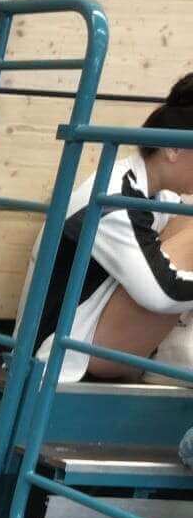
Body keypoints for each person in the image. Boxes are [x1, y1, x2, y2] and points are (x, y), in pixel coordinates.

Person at [35, 71, 193, 383]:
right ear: (173, 148)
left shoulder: (151, 191)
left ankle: (178, 358)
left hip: (91, 334)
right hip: (65, 353)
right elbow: (161, 293)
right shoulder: (113, 195)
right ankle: (178, 361)